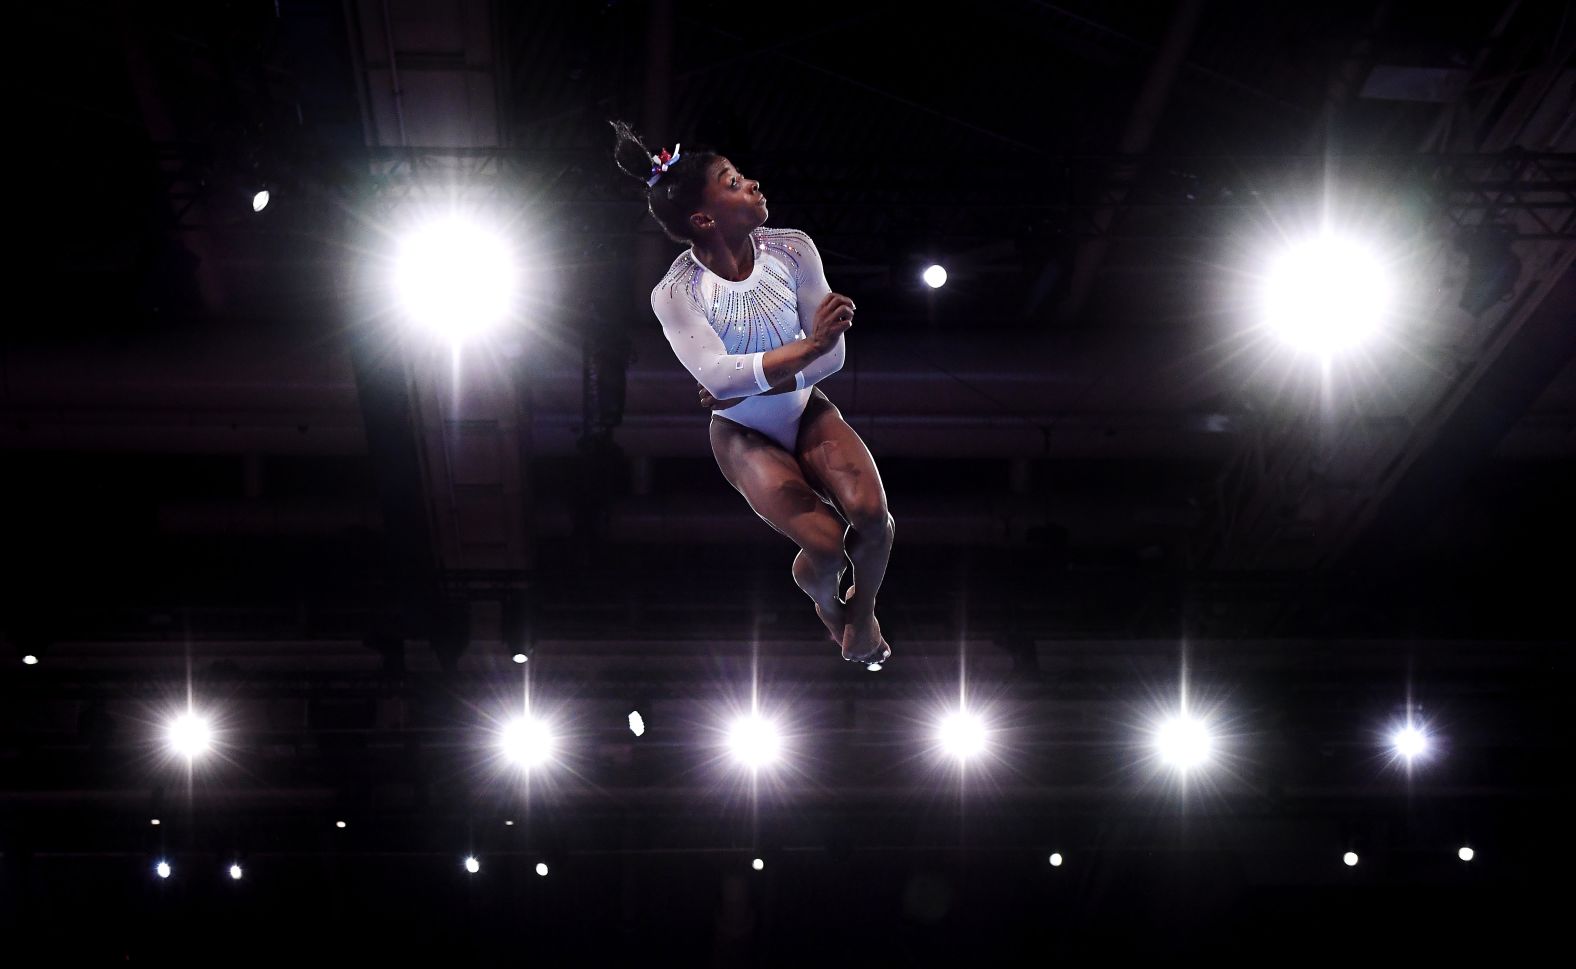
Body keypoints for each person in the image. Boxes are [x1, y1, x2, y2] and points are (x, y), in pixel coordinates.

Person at [611, 120, 894, 665]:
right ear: (704, 218)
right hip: (743, 436)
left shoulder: (792, 249)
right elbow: (719, 379)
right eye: (733, 182)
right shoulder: (674, 293)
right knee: (827, 547)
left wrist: (779, 367)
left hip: (805, 410)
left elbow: (833, 356)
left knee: (874, 520)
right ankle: (828, 608)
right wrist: (804, 351)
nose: (753, 184)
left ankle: (860, 617)